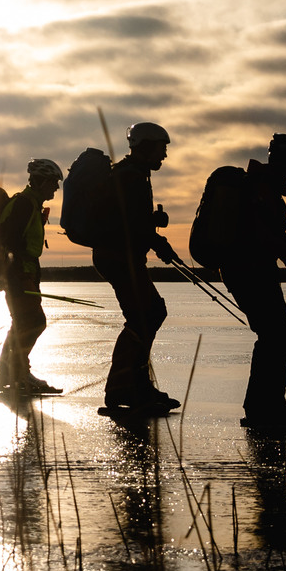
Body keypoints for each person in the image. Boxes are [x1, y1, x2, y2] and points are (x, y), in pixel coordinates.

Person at [217, 134, 286, 433]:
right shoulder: (262, 189)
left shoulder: (264, 188)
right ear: (282, 161)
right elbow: (265, 235)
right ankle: (266, 409)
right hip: (250, 273)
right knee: (277, 336)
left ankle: (265, 407)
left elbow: (273, 236)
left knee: (275, 336)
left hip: (249, 272)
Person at [97, 122, 182, 416]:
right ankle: (124, 389)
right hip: (119, 258)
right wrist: (159, 242)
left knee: (149, 313)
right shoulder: (130, 177)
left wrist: (153, 228)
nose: (164, 155)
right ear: (146, 146)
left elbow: (131, 219)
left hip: (122, 257)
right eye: (161, 148)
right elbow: (131, 224)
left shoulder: (132, 175)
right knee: (145, 315)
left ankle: (136, 386)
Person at [0, 158, 62, 395]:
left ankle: (6, 374)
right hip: (19, 274)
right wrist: (18, 275)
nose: (56, 187)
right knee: (34, 322)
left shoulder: (31, 204)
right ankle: (18, 373)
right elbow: (10, 242)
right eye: (53, 182)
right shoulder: (23, 204)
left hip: (24, 272)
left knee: (22, 323)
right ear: (41, 182)